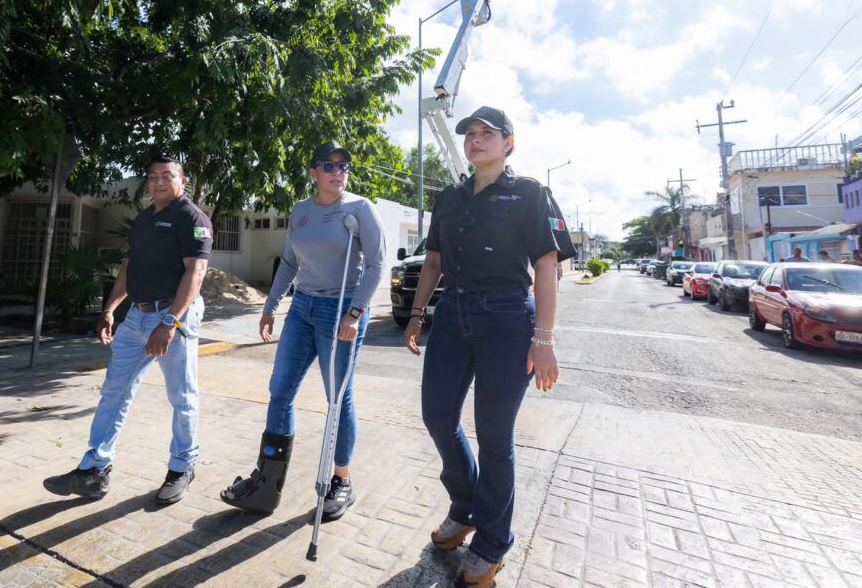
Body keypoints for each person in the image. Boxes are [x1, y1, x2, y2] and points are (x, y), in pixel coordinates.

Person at [404, 106, 575, 587]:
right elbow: (433, 260)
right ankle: (466, 505)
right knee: (437, 415)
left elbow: (546, 266)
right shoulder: (450, 198)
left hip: (507, 319)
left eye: (487, 133)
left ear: (508, 143)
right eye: (470, 134)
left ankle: (492, 541)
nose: (476, 140)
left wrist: (544, 338)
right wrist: (417, 313)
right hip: (452, 315)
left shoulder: (530, 193)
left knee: (494, 436)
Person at [220, 141, 384, 521]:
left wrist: (355, 313)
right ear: (313, 172)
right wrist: (270, 306)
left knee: (337, 398)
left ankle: (341, 480)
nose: (338, 172)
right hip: (303, 308)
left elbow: (375, 265)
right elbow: (289, 263)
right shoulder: (300, 212)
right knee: (280, 391)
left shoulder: (360, 210)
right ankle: (268, 481)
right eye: (329, 165)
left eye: (344, 166)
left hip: (340, 311)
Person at [43, 154, 211, 506]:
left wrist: (170, 322)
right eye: (153, 177)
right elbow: (130, 266)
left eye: (168, 176)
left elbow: (195, 274)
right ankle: (95, 470)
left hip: (173, 316)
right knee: (114, 392)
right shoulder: (144, 219)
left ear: (183, 182)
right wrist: (110, 308)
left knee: (182, 396)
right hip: (136, 316)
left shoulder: (192, 218)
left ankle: (182, 466)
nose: (159, 182)